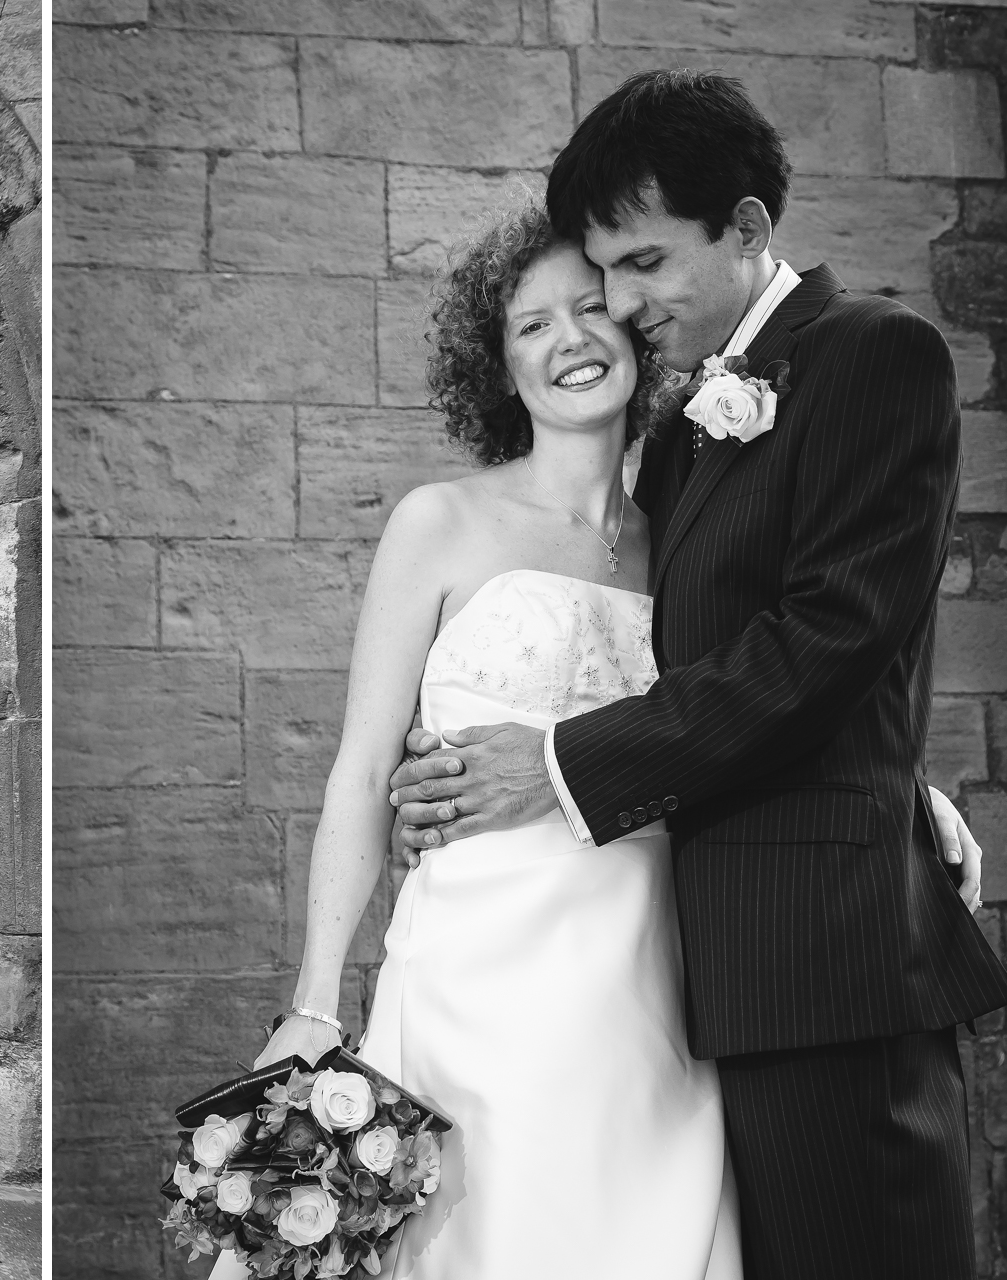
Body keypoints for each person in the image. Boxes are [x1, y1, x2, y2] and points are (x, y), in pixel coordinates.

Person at [389, 72, 1007, 1280]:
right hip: (688, 975)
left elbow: (832, 634)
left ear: (748, 227)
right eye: (603, 272)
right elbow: (697, 653)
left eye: (644, 264)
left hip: (824, 959)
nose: (622, 305)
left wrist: (555, 763)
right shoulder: (680, 434)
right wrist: (907, 776)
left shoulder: (876, 353)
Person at [251, 199, 739, 1278]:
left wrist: (909, 796)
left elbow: (758, 701)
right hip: (475, 985)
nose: (571, 339)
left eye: (590, 308)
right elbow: (363, 771)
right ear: (501, 367)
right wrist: (315, 1004)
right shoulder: (440, 523)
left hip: (653, 987)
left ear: (633, 326)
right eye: (532, 324)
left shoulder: (686, 544)